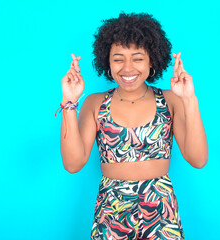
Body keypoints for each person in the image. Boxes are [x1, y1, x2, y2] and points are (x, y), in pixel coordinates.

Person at [56, 12, 208, 240]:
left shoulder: (170, 100)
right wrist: (70, 102)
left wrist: (189, 99)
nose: (128, 68)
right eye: (118, 59)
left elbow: (198, 159)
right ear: (107, 61)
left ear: (152, 60)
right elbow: (73, 164)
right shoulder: (96, 103)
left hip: (160, 210)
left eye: (138, 58)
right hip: (111, 210)